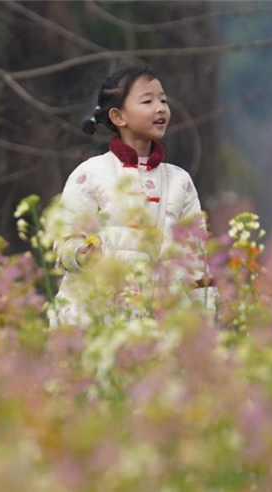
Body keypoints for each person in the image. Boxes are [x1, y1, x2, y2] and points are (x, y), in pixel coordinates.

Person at [49, 65, 217, 328]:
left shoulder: (180, 182)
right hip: (96, 321)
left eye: (163, 99)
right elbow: (64, 243)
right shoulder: (90, 174)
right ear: (118, 116)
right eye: (148, 101)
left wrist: (203, 324)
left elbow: (195, 261)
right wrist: (82, 253)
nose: (161, 107)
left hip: (160, 326)